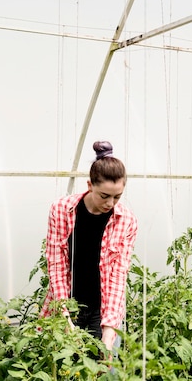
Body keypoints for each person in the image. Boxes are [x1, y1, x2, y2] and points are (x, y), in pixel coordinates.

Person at [40, 141, 138, 352]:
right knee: (61, 365)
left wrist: (109, 330)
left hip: (103, 309)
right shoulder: (62, 211)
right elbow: (57, 266)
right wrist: (65, 319)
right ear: (89, 186)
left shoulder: (126, 221)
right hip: (67, 304)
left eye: (117, 197)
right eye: (104, 195)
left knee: (103, 367)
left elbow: (118, 277)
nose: (111, 203)